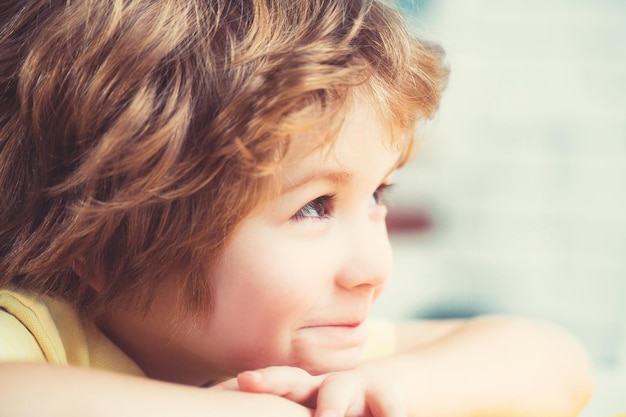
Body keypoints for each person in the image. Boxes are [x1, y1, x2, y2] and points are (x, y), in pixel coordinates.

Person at [0, 0, 592, 416]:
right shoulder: (33, 329)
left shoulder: (297, 355)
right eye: (314, 207)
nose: (374, 268)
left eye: (379, 194)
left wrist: (383, 391)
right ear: (107, 239)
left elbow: (554, 361)